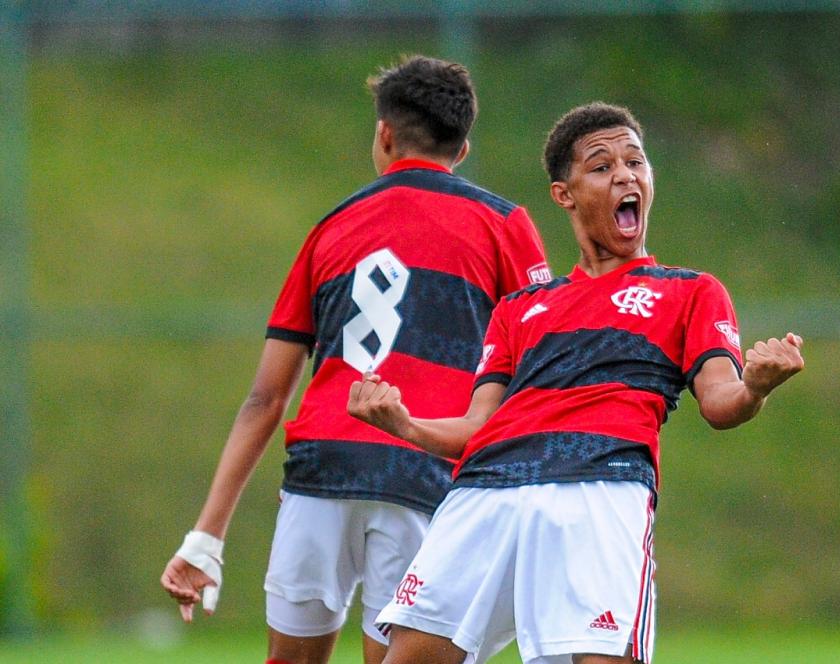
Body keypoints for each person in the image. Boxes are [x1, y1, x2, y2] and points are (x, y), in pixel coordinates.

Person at [347, 102, 805, 664]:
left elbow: (721, 402)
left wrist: (756, 386)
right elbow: (477, 427)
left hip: (599, 485)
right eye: (601, 165)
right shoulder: (520, 308)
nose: (625, 175)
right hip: (485, 491)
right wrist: (405, 424)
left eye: (636, 162)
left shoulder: (689, 291)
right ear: (564, 194)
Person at [160, 55, 550, 664]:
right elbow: (538, 370)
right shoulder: (505, 225)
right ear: (464, 148)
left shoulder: (329, 228)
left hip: (323, 470)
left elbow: (266, 397)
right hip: (425, 474)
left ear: (385, 134)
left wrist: (206, 536)